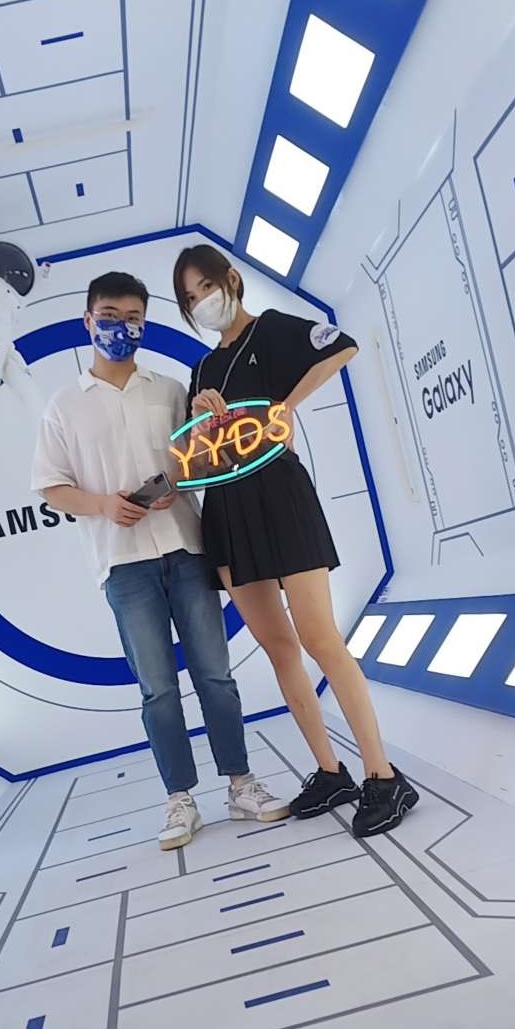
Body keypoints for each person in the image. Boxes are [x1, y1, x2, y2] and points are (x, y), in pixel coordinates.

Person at [30, 271, 287, 850]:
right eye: (110, 317)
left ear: (146, 323)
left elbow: (198, 460)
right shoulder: (63, 406)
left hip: (187, 547)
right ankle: (180, 799)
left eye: (133, 319)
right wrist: (104, 504)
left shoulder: (171, 390)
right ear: (88, 320)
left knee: (215, 676)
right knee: (157, 689)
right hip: (121, 564)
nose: (122, 329)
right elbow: (51, 486)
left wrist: (185, 472)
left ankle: (241, 784)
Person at [172, 245, 419, 839]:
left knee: (319, 637)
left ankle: (383, 776)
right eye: (188, 296)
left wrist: (280, 408)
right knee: (279, 648)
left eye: (205, 286)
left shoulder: (274, 329)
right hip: (227, 509)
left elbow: (342, 346)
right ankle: (331, 772)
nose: (200, 301)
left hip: (281, 495)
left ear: (231, 279)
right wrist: (204, 422)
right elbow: (199, 463)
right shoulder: (202, 371)